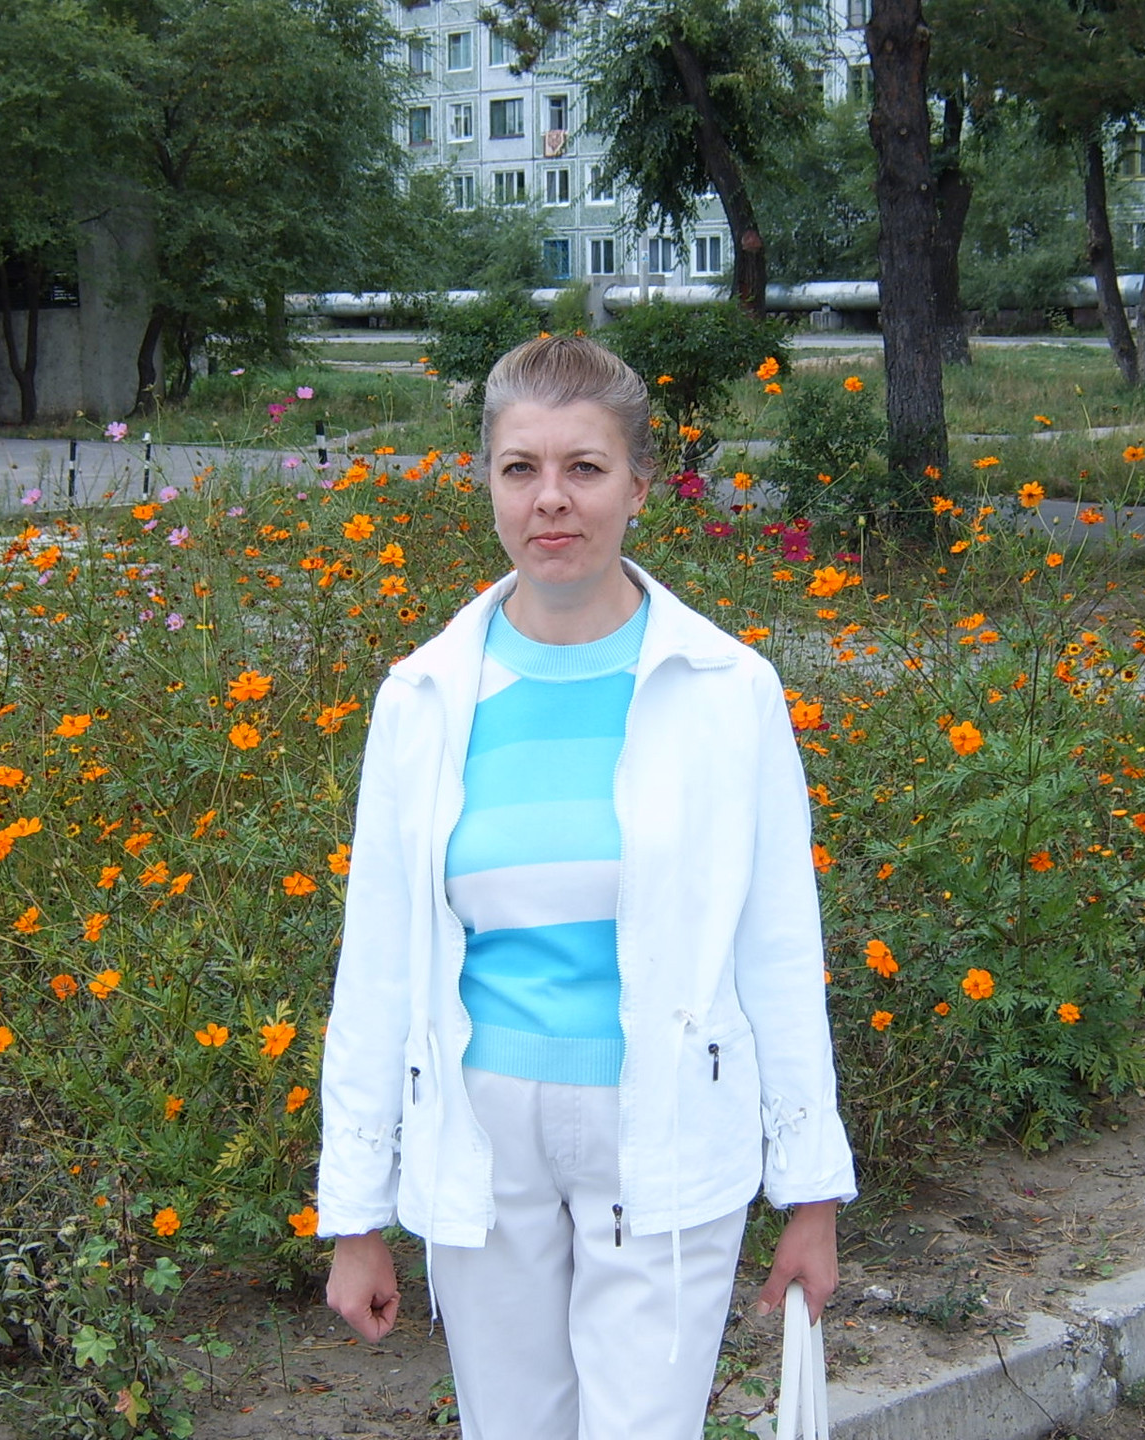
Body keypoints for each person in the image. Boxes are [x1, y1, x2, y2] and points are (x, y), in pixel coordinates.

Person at [316, 335, 856, 1439]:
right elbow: (377, 966)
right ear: (486, 482)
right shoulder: (422, 699)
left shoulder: (727, 691)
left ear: (639, 486)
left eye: (585, 468)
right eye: (521, 468)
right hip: (482, 1139)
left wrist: (811, 1194)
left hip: (665, 1128)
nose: (550, 499)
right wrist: (356, 1217)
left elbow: (778, 949)